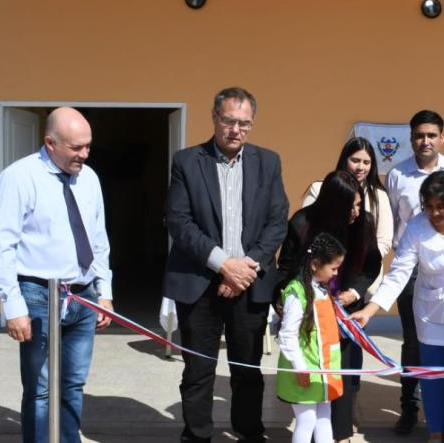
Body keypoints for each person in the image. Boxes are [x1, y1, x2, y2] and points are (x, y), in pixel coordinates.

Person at [163, 87, 289, 443]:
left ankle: (249, 433)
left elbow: (277, 221)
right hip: (199, 283)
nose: (236, 130)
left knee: (247, 369)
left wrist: (244, 268)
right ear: (215, 117)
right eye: (229, 121)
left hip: (249, 283)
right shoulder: (187, 161)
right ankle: (197, 436)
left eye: (244, 123)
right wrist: (223, 264)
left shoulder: (268, 162)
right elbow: (179, 221)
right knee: (198, 371)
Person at [0, 107, 114, 443]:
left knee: (73, 385)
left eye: (88, 146)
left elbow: (98, 239)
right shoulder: (19, 178)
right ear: (50, 143)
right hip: (38, 295)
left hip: (83, 296)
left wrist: (104, 292)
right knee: (40, 389)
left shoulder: (89, 178)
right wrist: (13, 307)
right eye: (76, 147)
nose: (84, 154)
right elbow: (2, 246)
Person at [352, 171, 444, 443]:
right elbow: (399, 272)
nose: (435, 213)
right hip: (430, 312)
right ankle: (435, 432)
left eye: (442, 206)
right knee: (430, 375)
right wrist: (370, 310)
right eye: (429, 206)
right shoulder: (417, 227)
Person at [384, 109, 444, 434]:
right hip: (412, 268)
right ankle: (410, 407)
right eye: (419, 135)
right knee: (414, 343)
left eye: (431, 135)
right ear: (411, 139)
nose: (425, 141)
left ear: (442, 138)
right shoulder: (397, 175)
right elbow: (392, 223)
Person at [277, 170, 381, 443]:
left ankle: (341, 435)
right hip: (308, 314)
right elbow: (286, 266)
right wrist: (285, 300)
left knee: (338, 377)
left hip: (343, 312)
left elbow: (372, 265)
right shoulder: (302, 223)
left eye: (359, 204)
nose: (356, 212)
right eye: (351, 206)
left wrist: (353, 293)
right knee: (310, 411)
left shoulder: (363, 223)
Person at [300, 136, 394, 431]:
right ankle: (316, 415)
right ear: (344, 160)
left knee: (349, 357)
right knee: (318, 353)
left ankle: (345, 414)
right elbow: (308, 233)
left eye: (367, 162)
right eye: (355, 160)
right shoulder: (321, 189)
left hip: (353, 290)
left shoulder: (378, 198)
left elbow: (382, 243)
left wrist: (356, 286)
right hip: (318, 291)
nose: (361, 167)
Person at [276, 232, 347, 443]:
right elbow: (287, 335)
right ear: (315, 264)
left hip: (323, 373)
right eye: (333, 268)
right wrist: (300, 367)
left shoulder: (323, 290)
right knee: (306, 421)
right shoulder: (297, 293)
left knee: (324, 419)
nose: (336, 273)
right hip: (304, 371)